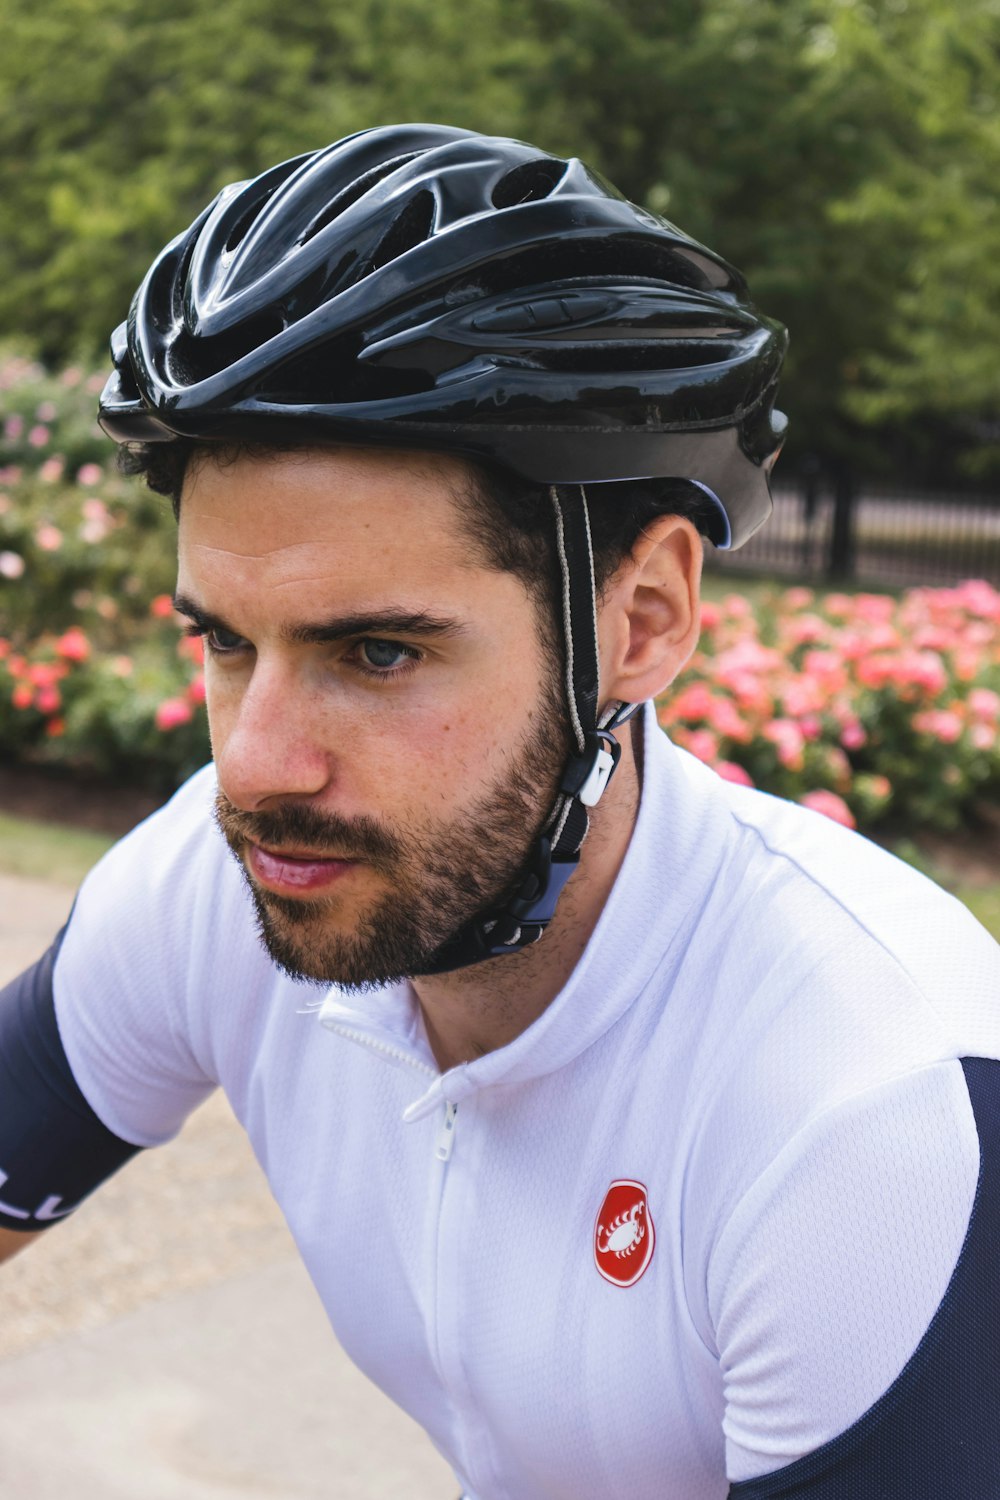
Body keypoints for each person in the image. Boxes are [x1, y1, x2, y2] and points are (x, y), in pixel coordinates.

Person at [2, 123, 999, 1499]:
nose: (254, 765)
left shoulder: (864, 1109)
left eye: (379, 653)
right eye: (227, 643)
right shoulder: (223, 873)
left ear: (643, 621)